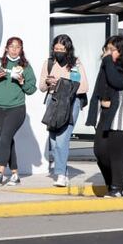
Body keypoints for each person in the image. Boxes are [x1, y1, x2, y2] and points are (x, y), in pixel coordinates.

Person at [88, 35, 123, 197]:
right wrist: (98, 106)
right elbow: (99, 88)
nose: (108, 53)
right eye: (107, 49)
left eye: (112, 50)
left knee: (116, 152)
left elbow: (118, 82)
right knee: (100, 152)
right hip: (107, 116)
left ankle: (116, 188)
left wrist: (107, 62)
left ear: (122, 51)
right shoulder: (107, 65)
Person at [0, 37, 37, 186]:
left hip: (16, 109)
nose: (14, 50)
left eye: (17, 47)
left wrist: (22, 82)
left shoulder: (25, 66)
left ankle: (0, 174)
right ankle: (15, 175)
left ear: (21, 49)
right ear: (6, 48)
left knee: (5, 138)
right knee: (7, 140)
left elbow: (32, 89)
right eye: (11, 46)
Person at [39, 34, 89, 187]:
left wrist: (62, 84)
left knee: (62, 139)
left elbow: (84, 87)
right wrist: (48, 82)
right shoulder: (49, 63)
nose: (58, 52)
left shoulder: (75, 64)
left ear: (68, 49)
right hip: (53, 101)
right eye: (56, 49)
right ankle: (64, 171)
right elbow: (41, 87)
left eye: (62, 49)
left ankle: (60, 174)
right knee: (54, 141)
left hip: (70, 102)